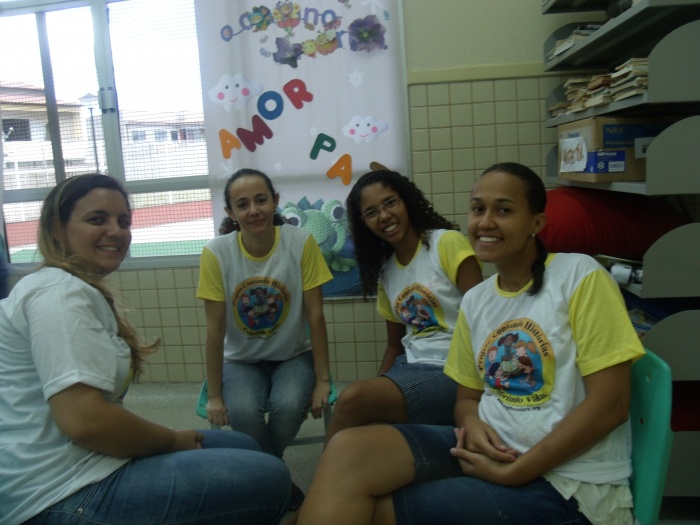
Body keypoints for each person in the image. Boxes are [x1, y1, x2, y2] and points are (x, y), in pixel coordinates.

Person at [294, 162, 646, 525]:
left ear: (536, 222)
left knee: (372, 511)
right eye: (478, 209)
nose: (486, 222)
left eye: (504, 210)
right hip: (485, 448)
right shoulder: (478, 300)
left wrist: (518, 471)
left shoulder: (579, 276)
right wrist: (473, 425)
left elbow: (611, 405)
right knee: (348, 449)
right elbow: (466, 399)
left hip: (568, 485)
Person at [0, 174, 291, 525]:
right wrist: (171, 440)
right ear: (56, 228)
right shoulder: (58, 295)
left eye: (123, 221)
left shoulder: (67, 288)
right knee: (270, 478)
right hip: (57, 491)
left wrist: (170, 439)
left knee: (243, 446)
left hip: (83, 461)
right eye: (97, 219)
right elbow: (86, 420)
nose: (116, 231)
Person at [196, 168, 333, 505]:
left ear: (275, 201)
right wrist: (214, 395)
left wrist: (322, 380)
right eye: (242, 204)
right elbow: (215, 329)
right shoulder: (215, 253)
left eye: (261, 200)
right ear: (230, 212)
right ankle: (279, 478)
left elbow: (315, 316)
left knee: (289, 406)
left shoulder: (301, 242)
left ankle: (266, 474)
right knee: (243, 412)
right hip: (240, 361)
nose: (254, 210)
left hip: (292, 355)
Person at [324, 167, 482, 443]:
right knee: (366, 428)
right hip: (409, 365)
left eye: (390, 203)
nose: (384, 216)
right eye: (371, 212)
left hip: (453, 371)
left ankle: (324, 470)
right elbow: (395, 345)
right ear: (364, 223)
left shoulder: (446, 243)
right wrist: (379, 383)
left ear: (406, 201)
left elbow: (484, 321)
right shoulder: (387, 272)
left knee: (352, 398)